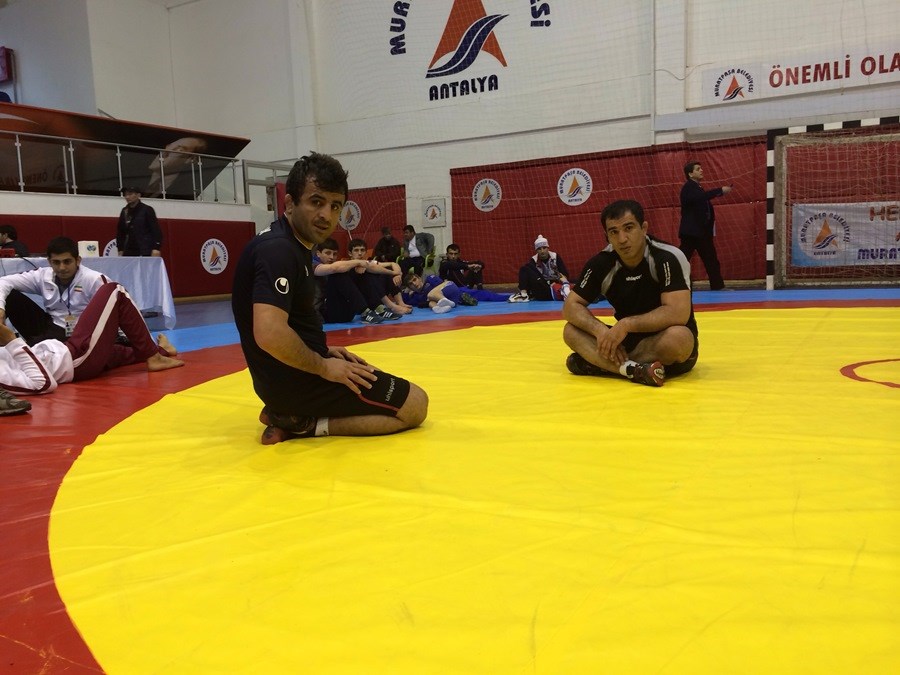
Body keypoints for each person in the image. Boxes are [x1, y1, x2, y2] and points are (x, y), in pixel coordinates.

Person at [231, 152, 428, 444]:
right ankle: (302, 422)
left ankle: (290, 412)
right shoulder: (279, 250)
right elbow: (269, 332)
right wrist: (323, 367)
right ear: (289, 203)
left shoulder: (289, 242)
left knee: (374, 377)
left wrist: (321, 351)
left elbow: (289, 322)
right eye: (316, 202)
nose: (326, 215)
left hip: (289, 375)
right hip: (295, 382)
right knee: (415, 405)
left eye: (335, 206)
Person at [562, 199, 699, 387]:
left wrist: (626, 324)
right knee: (570, 331)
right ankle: (632, 370)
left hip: (663, 343)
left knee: (679, 338)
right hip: (624, 341)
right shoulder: (601, 263)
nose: (622, 239)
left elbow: (678, 313)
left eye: (628, 228)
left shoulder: (668, 257)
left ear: (644, 228)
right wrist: (599, 330)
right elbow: (570, 306)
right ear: (607, 236)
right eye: (614, 232)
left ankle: (601, 364)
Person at [0, 282, 183, 394]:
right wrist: (11, 341)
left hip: (63, 353)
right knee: (115, 291)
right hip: (75, 359)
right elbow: (43, 383)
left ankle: (162, 351)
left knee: (114, 352)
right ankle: (154, 357)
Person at [0, 236, 110, 345]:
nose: (62, 268)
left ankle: (30, 346)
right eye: (56, 262)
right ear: (49, 262)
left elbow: (114, 306)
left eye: (67, 262)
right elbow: (4, 281)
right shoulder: (43, 275)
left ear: (78, 260)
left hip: (81, 332)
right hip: (51, 326)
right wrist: (1, 308)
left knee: (34, 347)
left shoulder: (94, 279)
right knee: (10, 296)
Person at [312, 238, 405, 324]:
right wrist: (359, 262)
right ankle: (366, 311)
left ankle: (379, 309)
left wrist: (394, 273)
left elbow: (376, 266)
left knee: (365, 270)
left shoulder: (347, 264)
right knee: (339, 274)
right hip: (324, 314)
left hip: (346, 311)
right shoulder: (312, 265)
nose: (332, 257)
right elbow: (334, 268)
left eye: (335, 254)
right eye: (328, 253)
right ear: (318, 253)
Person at [679, 160, 733, 291]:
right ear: (690, 174)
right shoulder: (689, 187)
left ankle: (718, 286)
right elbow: (701, 197)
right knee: (681, 260)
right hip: (692, 233)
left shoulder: (697, 187)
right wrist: (720, 190)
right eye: (698, 169)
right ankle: (673, 286)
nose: (701, 170)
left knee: (711, 260)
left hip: (701, 232)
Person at [402, 271, 508, 313]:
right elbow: (404, 301)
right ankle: (441, 307)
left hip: (453, 290)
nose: (414, 284)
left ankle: (508, 297)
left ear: (419, 278)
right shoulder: (415, 296)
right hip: (450, 300)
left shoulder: (430, 279)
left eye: (415, 280)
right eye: (411, 284)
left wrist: (426, 298)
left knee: (482, 294)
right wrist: (407, 290)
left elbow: (442, 284)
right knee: (429, 301)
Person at [508, 234, 571, 302]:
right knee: (524, 269)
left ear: (548, 248)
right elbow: (532, 279)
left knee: (525, 269)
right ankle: (523, 294)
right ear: (536, 251)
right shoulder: (533, 260)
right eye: (539, 249)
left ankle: (525, 295)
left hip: (554, 287)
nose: (542, 251)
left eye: (544, 248)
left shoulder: (555, 257)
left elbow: (564, 276)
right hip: (542, 286)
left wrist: (557, 283)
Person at [116, 186, 162, 257]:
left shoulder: (147, 210)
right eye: (125, 195)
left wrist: (156, 248)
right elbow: (120, 232)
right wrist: (120, 249)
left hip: (145, 250)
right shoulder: (124, 211)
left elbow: (155, 230)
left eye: (130, 194)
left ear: (138, 195)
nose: (127, 197)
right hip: (129, 250)